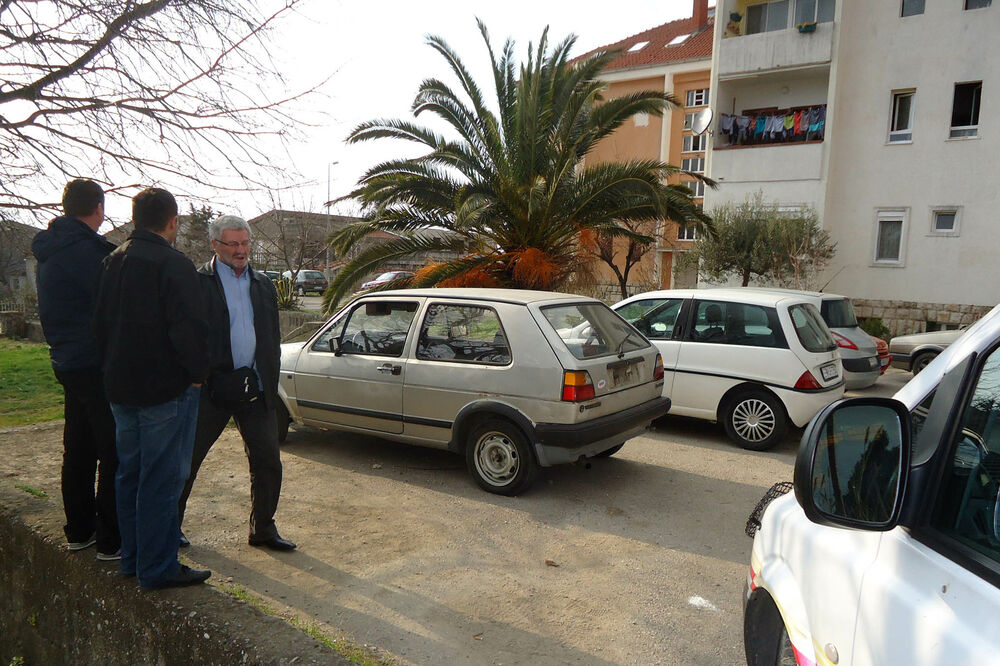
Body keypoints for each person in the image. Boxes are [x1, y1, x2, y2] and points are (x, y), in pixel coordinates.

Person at [93, 187, 212, 589]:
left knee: (130, 475)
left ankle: (133, 558)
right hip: (163, 389)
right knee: (160, 480)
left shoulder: (113, 259)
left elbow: (100, 325)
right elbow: (189, 328)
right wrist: (198, 372)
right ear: (172, 221)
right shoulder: (173, 264)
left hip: (120, 387)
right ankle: (158, 567)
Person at [178, 215, 295, 552]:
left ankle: (263, 528)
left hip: (254, 388)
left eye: (245, 243)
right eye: (233, 244)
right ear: (215, 245)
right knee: (187, 461)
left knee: (268, 462)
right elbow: (187, 335)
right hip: (210, 389)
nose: (241, 250)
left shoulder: (262, 284)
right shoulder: (198, 282)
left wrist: (269, 378)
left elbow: (271, 336)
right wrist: (197, 377)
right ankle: (170, 526)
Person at [31, 179, 121, 560]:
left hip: (65, 359)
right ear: (98, 209)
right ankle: (110, 538)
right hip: (95, 362)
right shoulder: (90, 253)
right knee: (113, 448)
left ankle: (79, 529)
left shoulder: (51, 249)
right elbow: (114, 307)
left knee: (79, 446)